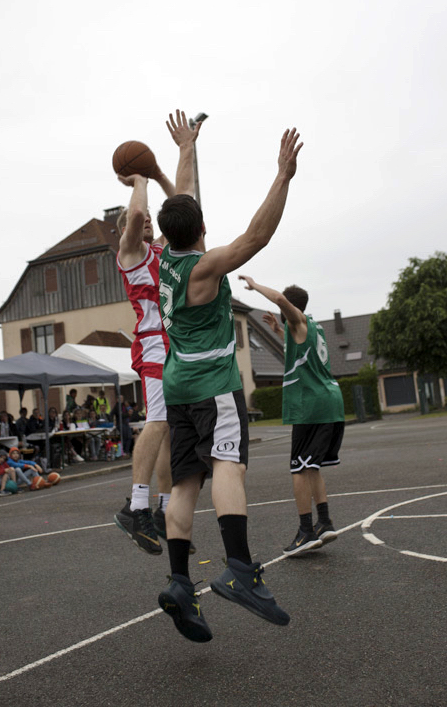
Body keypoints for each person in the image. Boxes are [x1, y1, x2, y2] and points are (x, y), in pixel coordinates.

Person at [154, 127, 302, 642]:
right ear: (201, 227)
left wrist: (186, 149)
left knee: (184, 483)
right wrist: (283, 176)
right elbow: (255, 238)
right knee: (228, 464)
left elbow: (182, 199)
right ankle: (239, 569)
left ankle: (179, 582)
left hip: (176, 387)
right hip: (212, 385)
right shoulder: (204, 266)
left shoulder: (164, 257)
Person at [113, 110, 203, 556]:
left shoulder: (163, 252)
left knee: (170, 431)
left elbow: (185, 205)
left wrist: (166, 169)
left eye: (151, 219)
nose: (147, 220)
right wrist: (139, 181)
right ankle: (135, 506)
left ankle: (165, 509)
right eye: (143, 219)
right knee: (159, 421)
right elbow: (134, 216)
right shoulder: (130, 254)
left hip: (175, 348)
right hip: (152, 347)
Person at [239, 276, 345, 556]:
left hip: (311, 404)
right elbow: (299, 350)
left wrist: (254, 285)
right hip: (330, 401)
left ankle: (306, 531)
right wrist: (277, 330)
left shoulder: (297, 320)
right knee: (311, 467)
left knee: (298, 468)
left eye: (283, 311)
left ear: (290, 308)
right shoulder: (313, 328)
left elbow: (280, 299)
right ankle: (324, 522)